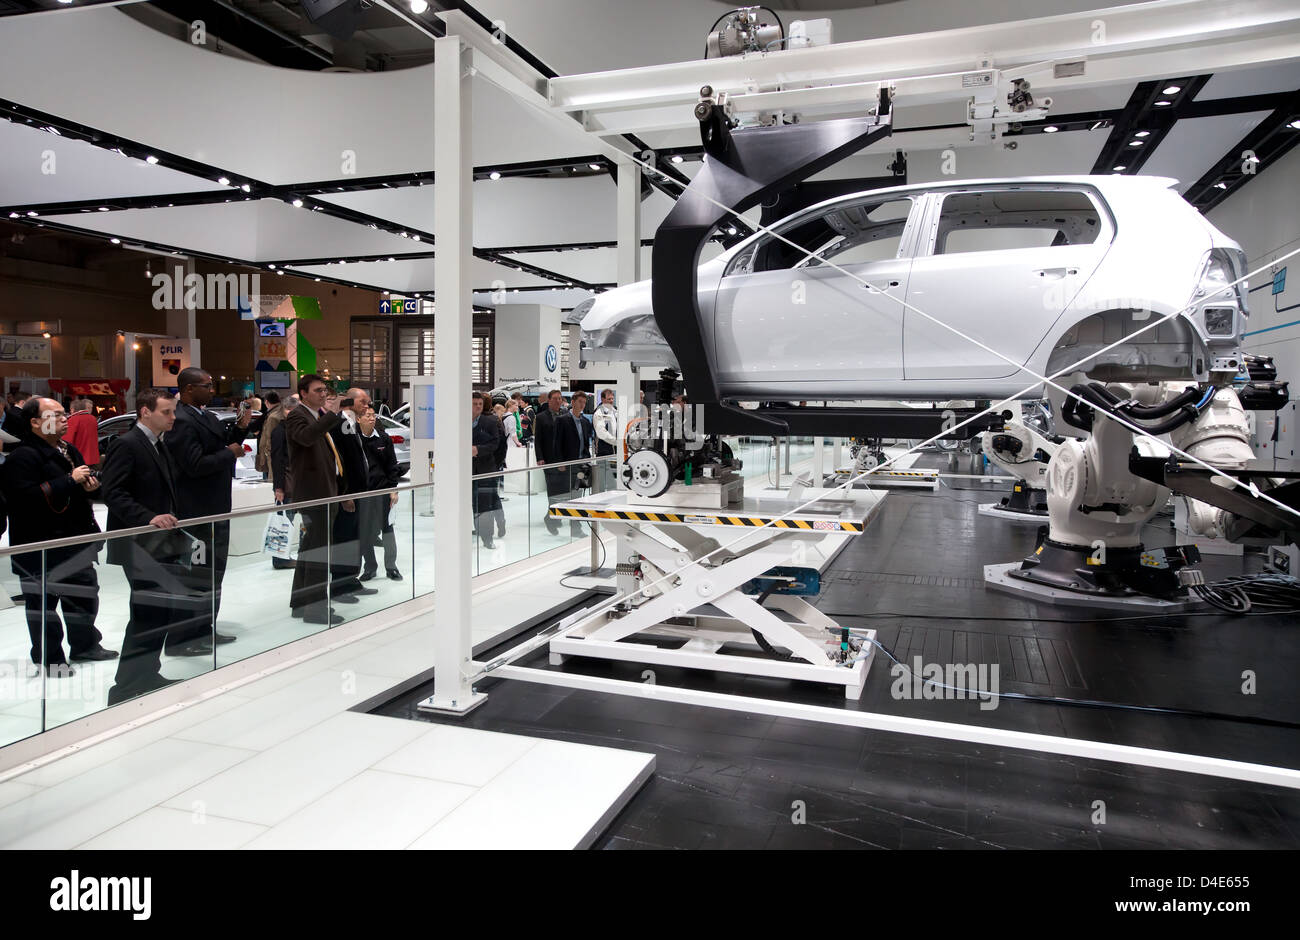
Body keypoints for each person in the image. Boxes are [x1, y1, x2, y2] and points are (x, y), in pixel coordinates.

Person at [0, 397, 116, 676]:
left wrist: (91, 486)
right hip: (39, 545)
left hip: (74, 541)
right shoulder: (22, 457)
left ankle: (85, 644)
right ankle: (50, 659)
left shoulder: (68, 449)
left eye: (65, 414)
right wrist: (69, 481)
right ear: (35, 422)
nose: (65, 419)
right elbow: (23, 499)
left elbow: (82, 489)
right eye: (57, 415)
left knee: (85, 596)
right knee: (43, 606)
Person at [102, 390, 203, 704]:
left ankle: (146, 673)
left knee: (160, 610)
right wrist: (149, 518)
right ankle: (126, 685)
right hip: (139, 543)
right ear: (145, 412)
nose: (173, 418)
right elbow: (113, 492)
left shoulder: (159, 444)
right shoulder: (128, 444)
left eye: (173, 412)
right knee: (147, 611)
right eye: (166, 412)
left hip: (160, 542)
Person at [164, 367, 248, 655]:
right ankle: (181, 639)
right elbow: (194, 464)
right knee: (192, 577)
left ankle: (203, 629)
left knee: (212, 574)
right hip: (195, 511)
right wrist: (230, 453)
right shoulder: (182, 421)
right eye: (207, 386)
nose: (212, 391)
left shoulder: (206, 416)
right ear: (188, 389)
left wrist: (241, 428)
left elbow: (222, 444)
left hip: (216, 508)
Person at [284, 375, 345, 624]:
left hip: (322, 491)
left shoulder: (313, 415)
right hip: (314, 494)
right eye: (318, 390)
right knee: (318, 551)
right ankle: (315, 608)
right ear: (303, 392)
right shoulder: (299, 415)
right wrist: (331, 415)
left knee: (311, 550)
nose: (323, 394)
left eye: (324, 390)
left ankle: (302, 602)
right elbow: (306, 437)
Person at [328, 388, 378, 603]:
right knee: (344, 539)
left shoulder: (354, 423)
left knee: (355, 537)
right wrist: (344, 493)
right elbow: (339, 463)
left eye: (368, 401)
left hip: (359, 492)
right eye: (362, 401)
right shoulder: (337, 424)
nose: (367, 405)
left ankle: (351, 580)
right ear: (349, 400)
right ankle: (339, 586)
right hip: (347, 494)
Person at [358, 406, 402, 581]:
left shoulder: (383, 438)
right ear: (358, 419)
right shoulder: (354, 439)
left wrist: (393, 489)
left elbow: (392, 465)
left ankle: (391, 566)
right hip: (363, 493)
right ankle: (370, 567)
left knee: (387, 529)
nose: (371, 418)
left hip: (382, 490)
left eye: (373, 415)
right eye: (367, 415)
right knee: (365, 531)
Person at [533, 389, 569, 536]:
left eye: (560, 398)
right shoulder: (541, 418)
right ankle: (551, 517)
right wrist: (540, 457)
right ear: (549, 400)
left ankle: (555, 516)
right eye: (555, 398)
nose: (558, 401)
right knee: (553, 491)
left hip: (563, 460)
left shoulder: (565, 415)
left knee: (563, 491)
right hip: (548, 460)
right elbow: (538, 441)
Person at [269, 393, 299, 571]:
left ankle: (282, 556)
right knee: (283, 522)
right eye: (289, 410)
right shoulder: (280, 431)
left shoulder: (293, 429)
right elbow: (277, 460)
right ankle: (280, 558)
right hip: (287, 484)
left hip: (296, 482)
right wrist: (278, 487)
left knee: (288, 521)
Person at [471, 392, 504, 548]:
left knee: (486, 504)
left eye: (480, 404)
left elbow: (495, 443)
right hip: (467, 471)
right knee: (473, 503)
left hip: (486, 469)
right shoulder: (460, 421)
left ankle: (487, 537)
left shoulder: (490, 421)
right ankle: (477, 529)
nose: (478, 407)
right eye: (474, 404)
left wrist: (478, 449)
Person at [593, 388, 618, 491]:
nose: (611, 401)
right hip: (603, 451)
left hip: (615, 450)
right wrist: (617, 442)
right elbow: (601, 433)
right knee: (603, 479)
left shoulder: (615, 411)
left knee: (613, 480)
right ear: (602, 399)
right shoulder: (599, 413)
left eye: (612, 399)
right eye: (608, 399)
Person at [64, 398, 100, 467]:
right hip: (92, 458)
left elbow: (66, 441)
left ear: (72, 409)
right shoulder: (93, 418)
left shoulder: (73, 420)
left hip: (79, 458)